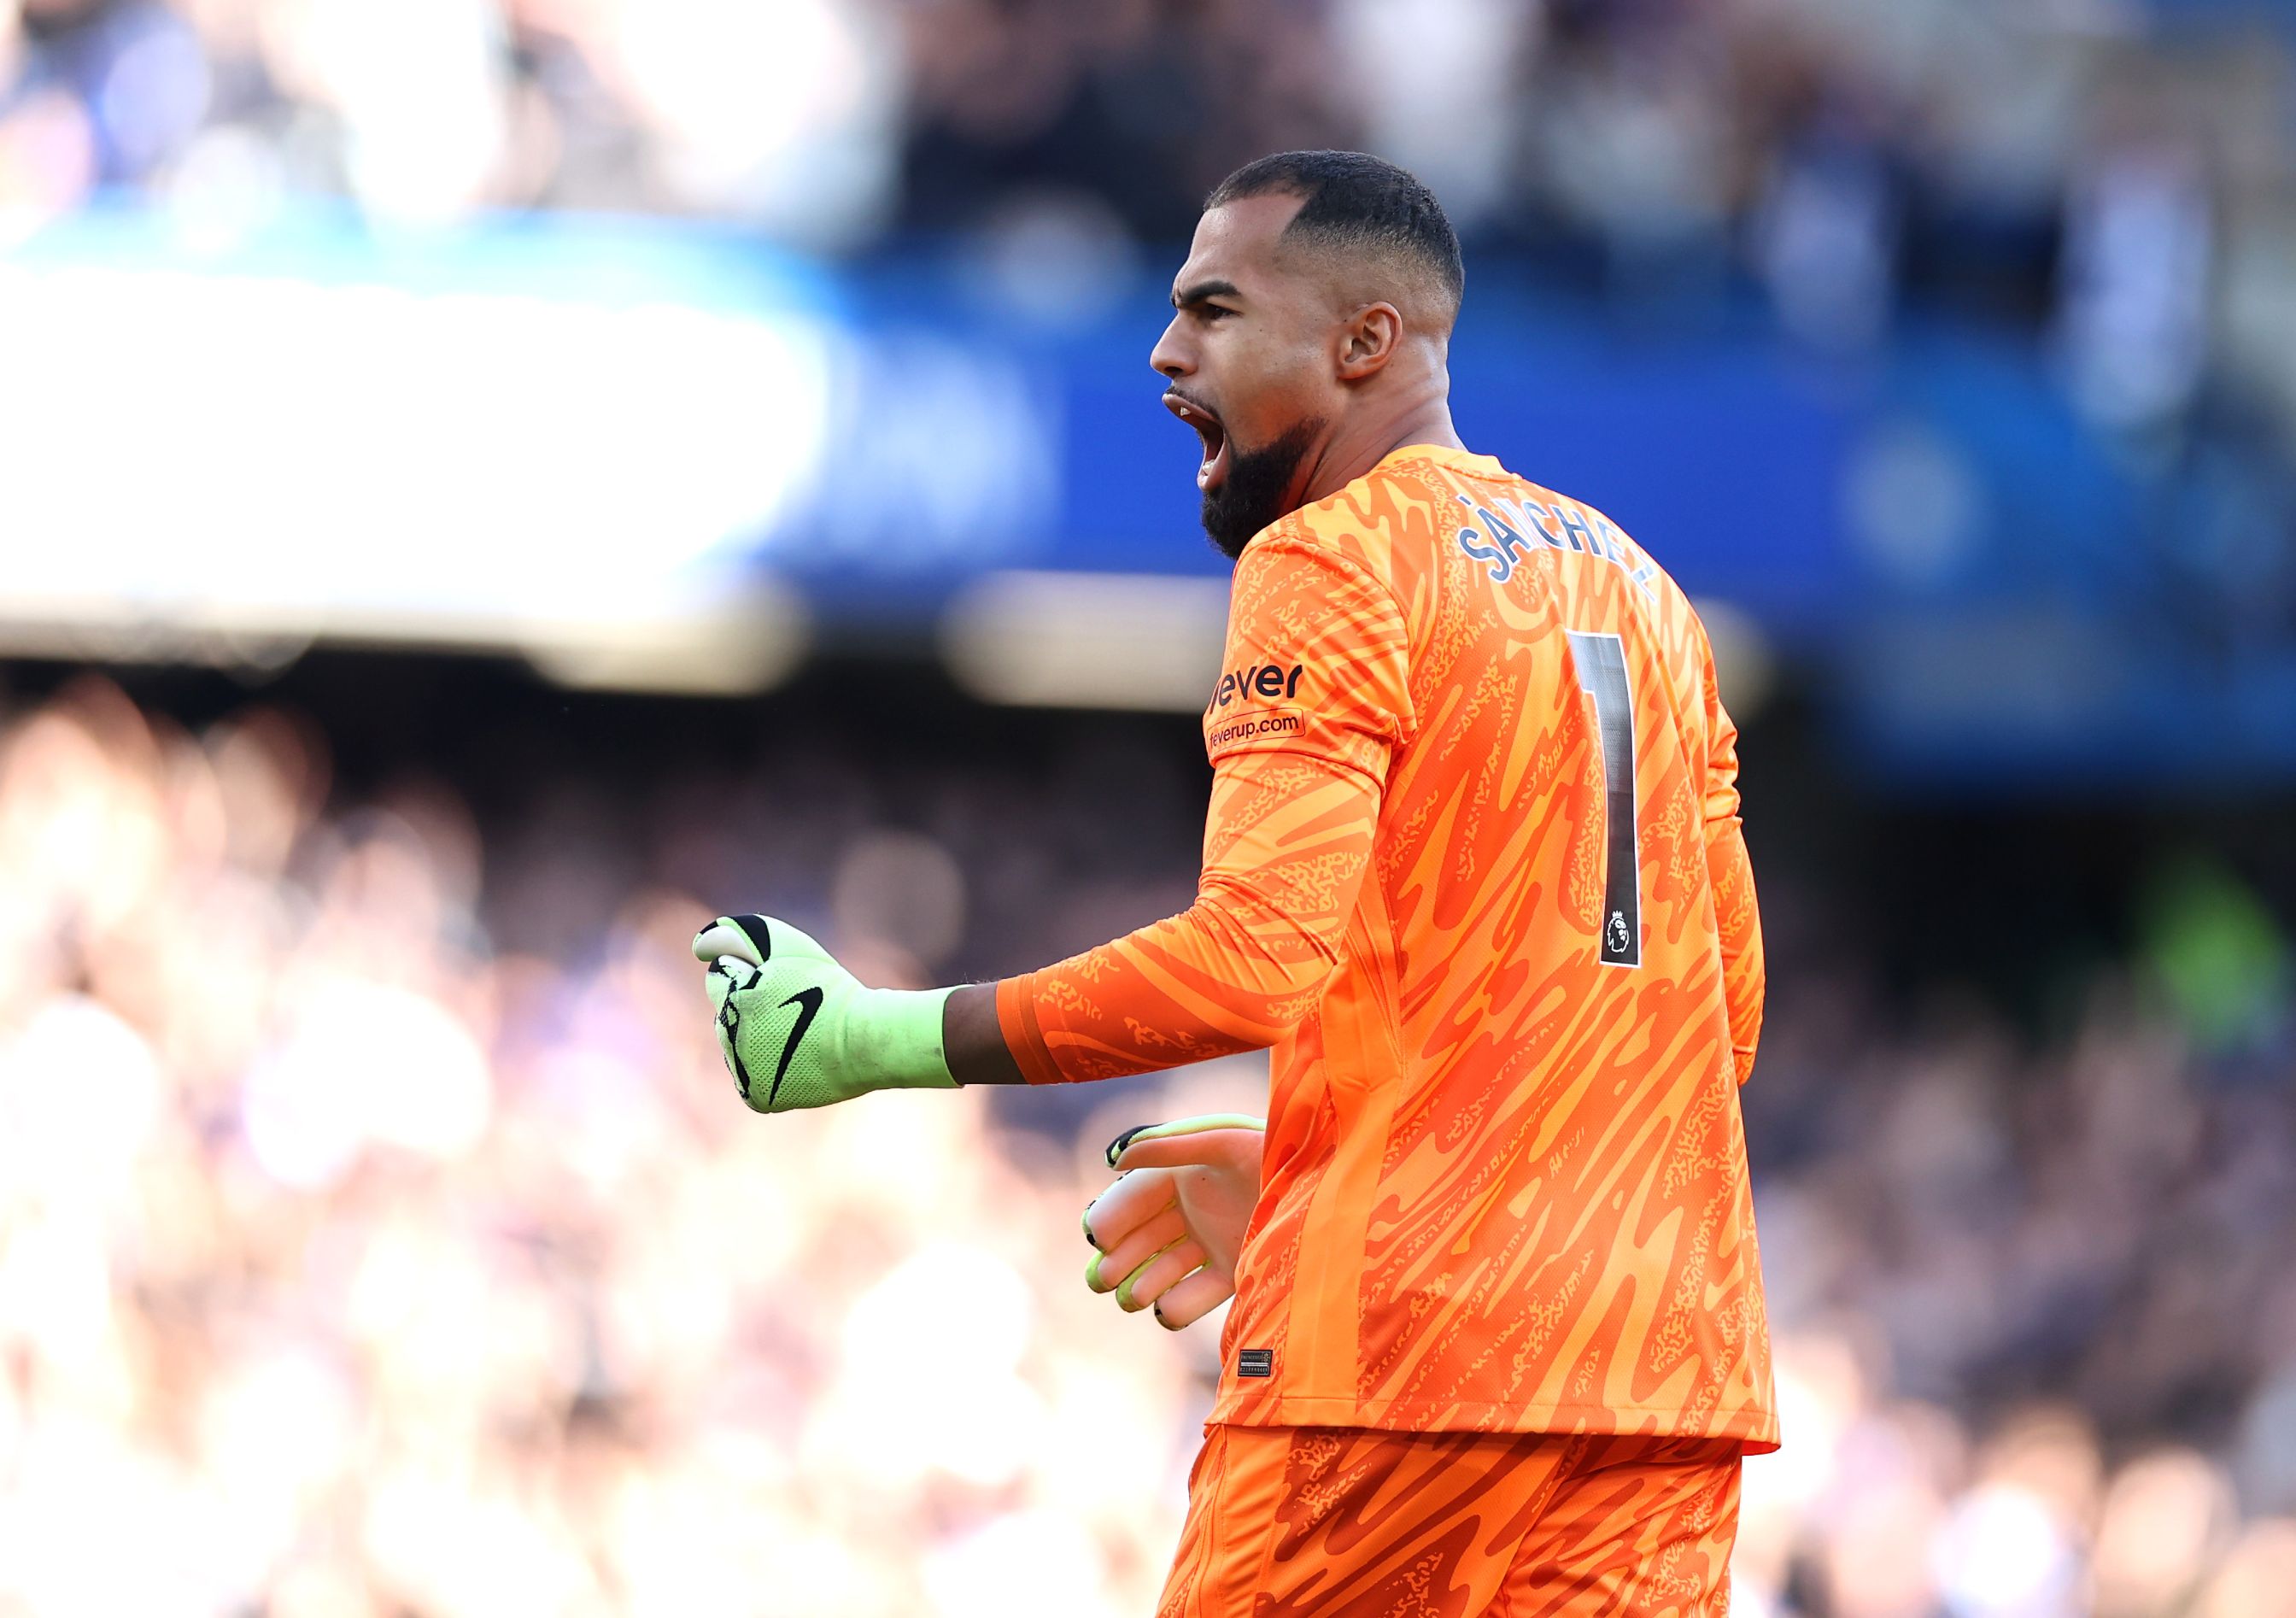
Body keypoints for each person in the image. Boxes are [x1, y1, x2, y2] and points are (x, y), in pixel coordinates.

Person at [694, 149, 1774, 1615]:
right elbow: (1716, 1023)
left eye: (1213, 309)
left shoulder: (1334, 560)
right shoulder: (1648, 596)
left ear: (1362, 343)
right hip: (1662, 1388)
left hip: (1392, 1376)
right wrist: (1327, 1162)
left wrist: (882, 1037)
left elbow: (1252, 956)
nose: (1165, 349)